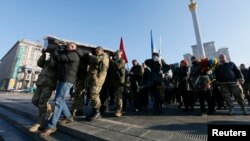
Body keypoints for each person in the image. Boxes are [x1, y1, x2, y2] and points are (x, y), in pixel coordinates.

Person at [41, 42, 80, 136]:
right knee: (59, 100)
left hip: (67, 80)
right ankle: (68, 117)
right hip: (63, 79)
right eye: (68, 46)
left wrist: (55, 50)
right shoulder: (68, 53)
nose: (68, 47)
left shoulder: (74, 55)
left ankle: (51, 126)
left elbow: (59, 58)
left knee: (59, 101)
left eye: (71, 46)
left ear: (74, 47)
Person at [29, 49, 58, 132]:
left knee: (42, 103)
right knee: (34, 101)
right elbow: (39, 64)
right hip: (40, 83)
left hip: (48, 84)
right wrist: (43, 54)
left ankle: (39, 124)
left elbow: (53, 65)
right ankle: (50, 108)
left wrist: (53, 54)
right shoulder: (47, 61)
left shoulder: (56, 60)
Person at [85, 46, 109, 121]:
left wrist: (90, 56)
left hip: (98, 79)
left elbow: (97, 59)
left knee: (94, 94)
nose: (96, 53)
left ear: (102, 51)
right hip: (94, 79)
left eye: (97, 51)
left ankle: (97, 112)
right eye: (95, 52)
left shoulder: (104, 56)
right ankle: (94, 111)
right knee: (93, 95)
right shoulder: (98, 56)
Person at [109, 50, 126, 117]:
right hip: (115, 81)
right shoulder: (115, 61)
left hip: (120, 81)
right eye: (116, 54)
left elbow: (118, 66)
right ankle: (117, 108)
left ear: (121, 54)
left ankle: (119, 110)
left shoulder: (122, 60)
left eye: (118, 54)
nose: (117, 55)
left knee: (119, 96)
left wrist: (111, 61)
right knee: (116, 95)